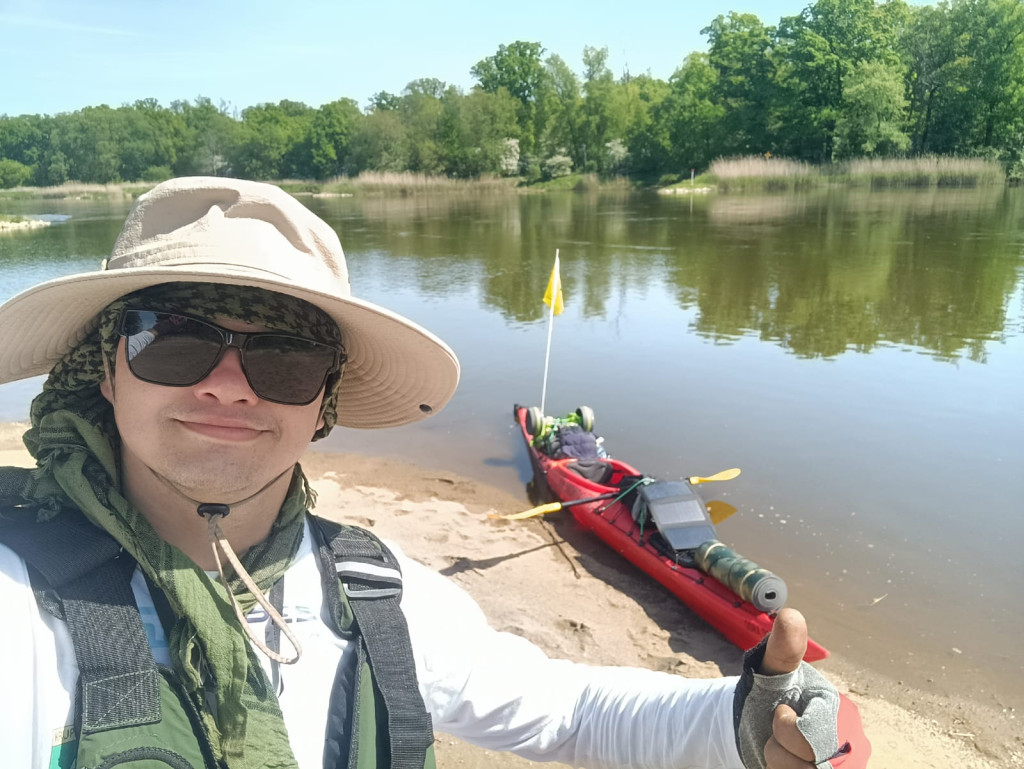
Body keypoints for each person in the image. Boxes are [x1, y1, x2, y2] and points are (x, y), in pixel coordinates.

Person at [0, 177, 853, 769]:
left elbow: (566, 710)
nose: (227, 383)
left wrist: (742, 718)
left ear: (323, 403)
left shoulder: (376, 592)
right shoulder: (15, 602)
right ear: (106, 368)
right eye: (173, 338)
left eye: (286, 355)